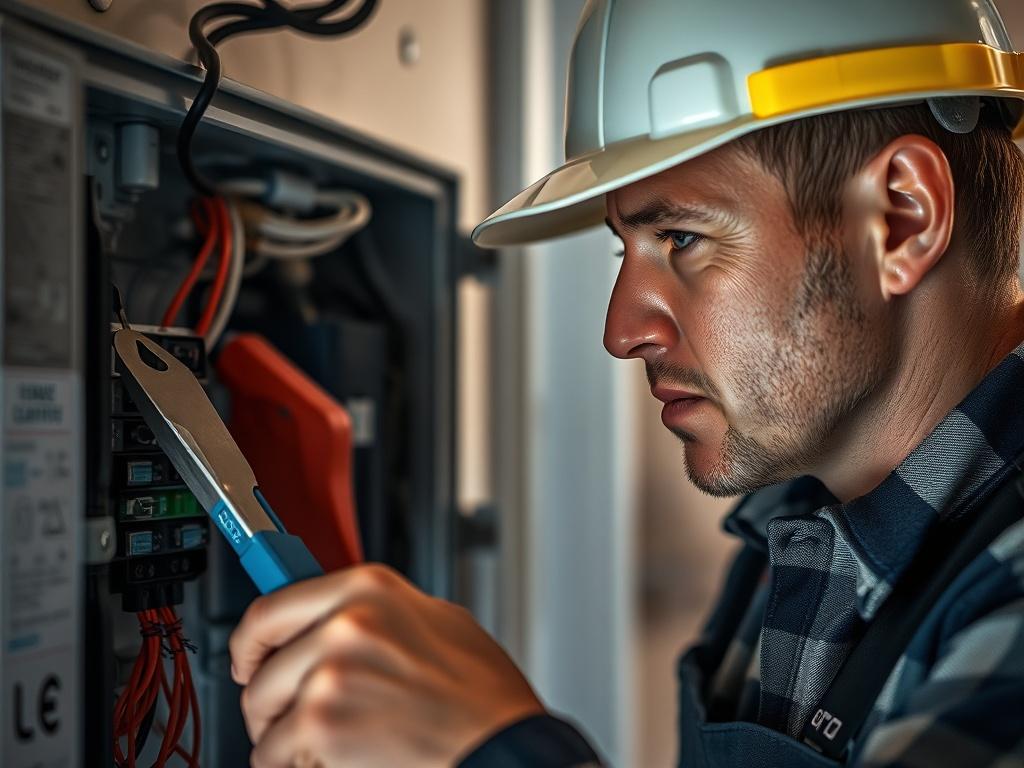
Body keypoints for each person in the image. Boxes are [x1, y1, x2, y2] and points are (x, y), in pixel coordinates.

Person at [228, 0, 1024, 765]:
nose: (622, 332)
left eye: (682, 237)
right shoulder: (798, 528)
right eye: (625, 250)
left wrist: (497, 755)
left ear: (901, 218)